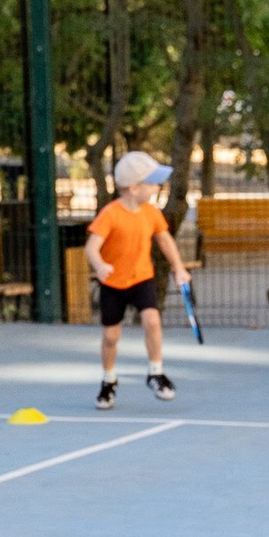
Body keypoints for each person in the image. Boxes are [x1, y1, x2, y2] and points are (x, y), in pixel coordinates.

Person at [83, 151, 186, 405]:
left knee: (152, 320)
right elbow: (91, 247)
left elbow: (164, 240)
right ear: (133, 187)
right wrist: (99, 264)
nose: (156, 188)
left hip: (141, 279)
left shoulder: (151, 213)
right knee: (111, 337)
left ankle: (156, 373)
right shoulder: (110, 214)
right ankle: (108, 381)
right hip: (113, 284)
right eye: (151, 183)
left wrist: (179, 268)